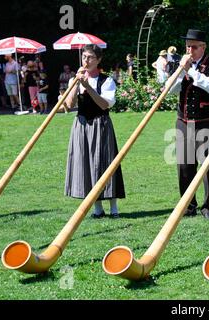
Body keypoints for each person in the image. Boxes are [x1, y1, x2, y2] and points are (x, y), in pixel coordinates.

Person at [64, 44, 125, 218]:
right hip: (81, 125)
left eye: (90, 57)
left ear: (98, 60)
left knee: (105, 163)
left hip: (100, 124)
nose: (86, 60)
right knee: (87, 164)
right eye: (84, 57)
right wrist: (76, 84)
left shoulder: (107, 81)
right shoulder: (75, 79)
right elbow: (69, 105)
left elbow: (105, 104)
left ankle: (114, 208)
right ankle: (97, 208)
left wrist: (88, 87)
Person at [169, 29, 209, 219]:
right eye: (187, 47)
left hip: (206, 122)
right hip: (183, 121)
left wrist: (190, 70)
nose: (189, 50)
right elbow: (170, 90)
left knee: (208, 166)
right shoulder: (181, 65)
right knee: (184, 165)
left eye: (193, 47)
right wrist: (179, 72)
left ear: (203, 47)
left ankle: (208, 206)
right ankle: (188, 205)